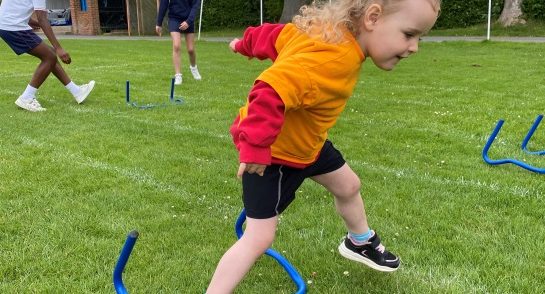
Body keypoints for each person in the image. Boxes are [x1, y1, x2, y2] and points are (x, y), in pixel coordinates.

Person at [206, 0, 441, 292]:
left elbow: (275, 35)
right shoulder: (331, 58)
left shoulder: (328, 33)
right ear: (373, 17)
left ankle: (360, 241)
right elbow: (270, 91)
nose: (414, 47)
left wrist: (244, 43)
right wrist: (255, 148)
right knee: (259, 237)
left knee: (349, 186)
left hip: (309, 144)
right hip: (274, 153)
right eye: (409, 34)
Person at [0, 0, 95, 112]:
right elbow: (42, 18)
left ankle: (77, 92)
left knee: (49, 54)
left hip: (8, 26)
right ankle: (27, 98)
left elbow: (15, 9)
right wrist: (59, 48)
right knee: (50, 57)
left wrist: (35, 23)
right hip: (14, 28)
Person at [156, 0, 202, 85]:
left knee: (191, 50)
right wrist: (159, 23)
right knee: (176, 46)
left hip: (188, 19)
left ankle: (193, 68)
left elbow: (195, 6)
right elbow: (164, 4)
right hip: (174, 19)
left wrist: (188, 22)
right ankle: (178, 75)